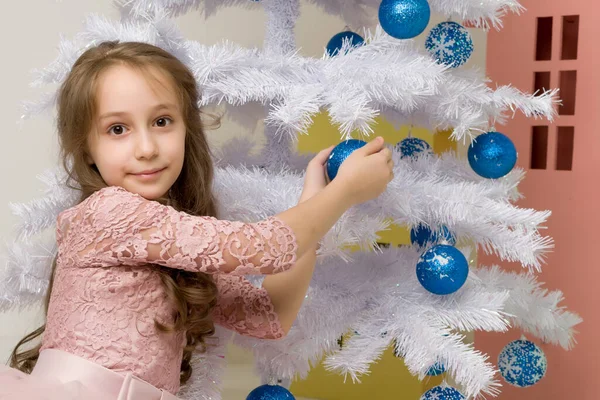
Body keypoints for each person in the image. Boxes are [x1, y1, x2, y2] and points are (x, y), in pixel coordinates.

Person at [0, 41, 393, 399]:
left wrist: (316, 198)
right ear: (87, 149)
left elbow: (268, 314)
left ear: (187, 128)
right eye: (118, 129)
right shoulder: (107, 213)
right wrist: (344, 193)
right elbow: (265, 249)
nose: (147, 148)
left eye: (162, 121)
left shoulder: (168, 242)